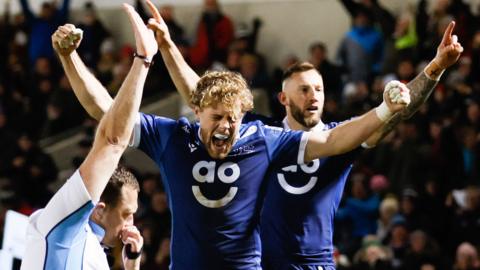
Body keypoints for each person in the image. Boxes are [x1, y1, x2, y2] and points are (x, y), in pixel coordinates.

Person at [53, 2, 409, 269]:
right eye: (217, 117)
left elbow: (333, 141)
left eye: (233, 119)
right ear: (197, 113)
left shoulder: (263, 139)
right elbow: (106, 112)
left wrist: (384, 111)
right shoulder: (173, 138)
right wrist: (70, 60)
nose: (225, 126)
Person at [146, 5, 462, 269]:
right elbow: (202, 98)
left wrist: (434, 69)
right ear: (284, 99)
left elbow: (396, 114)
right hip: (265, 263)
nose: (314, 96)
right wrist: (168, 47)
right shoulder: (260, 135)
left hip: (317, 263)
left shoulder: (342, 136)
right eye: (305, 89)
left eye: (320, 89)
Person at [19, 4, 158, 269]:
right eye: (126, 214)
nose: (131, 224)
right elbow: (112, 139)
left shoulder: (93, 248)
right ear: (99, 209)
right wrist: (143, 61)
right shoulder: (60, 228)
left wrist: (132, 266)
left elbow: (105, 113)